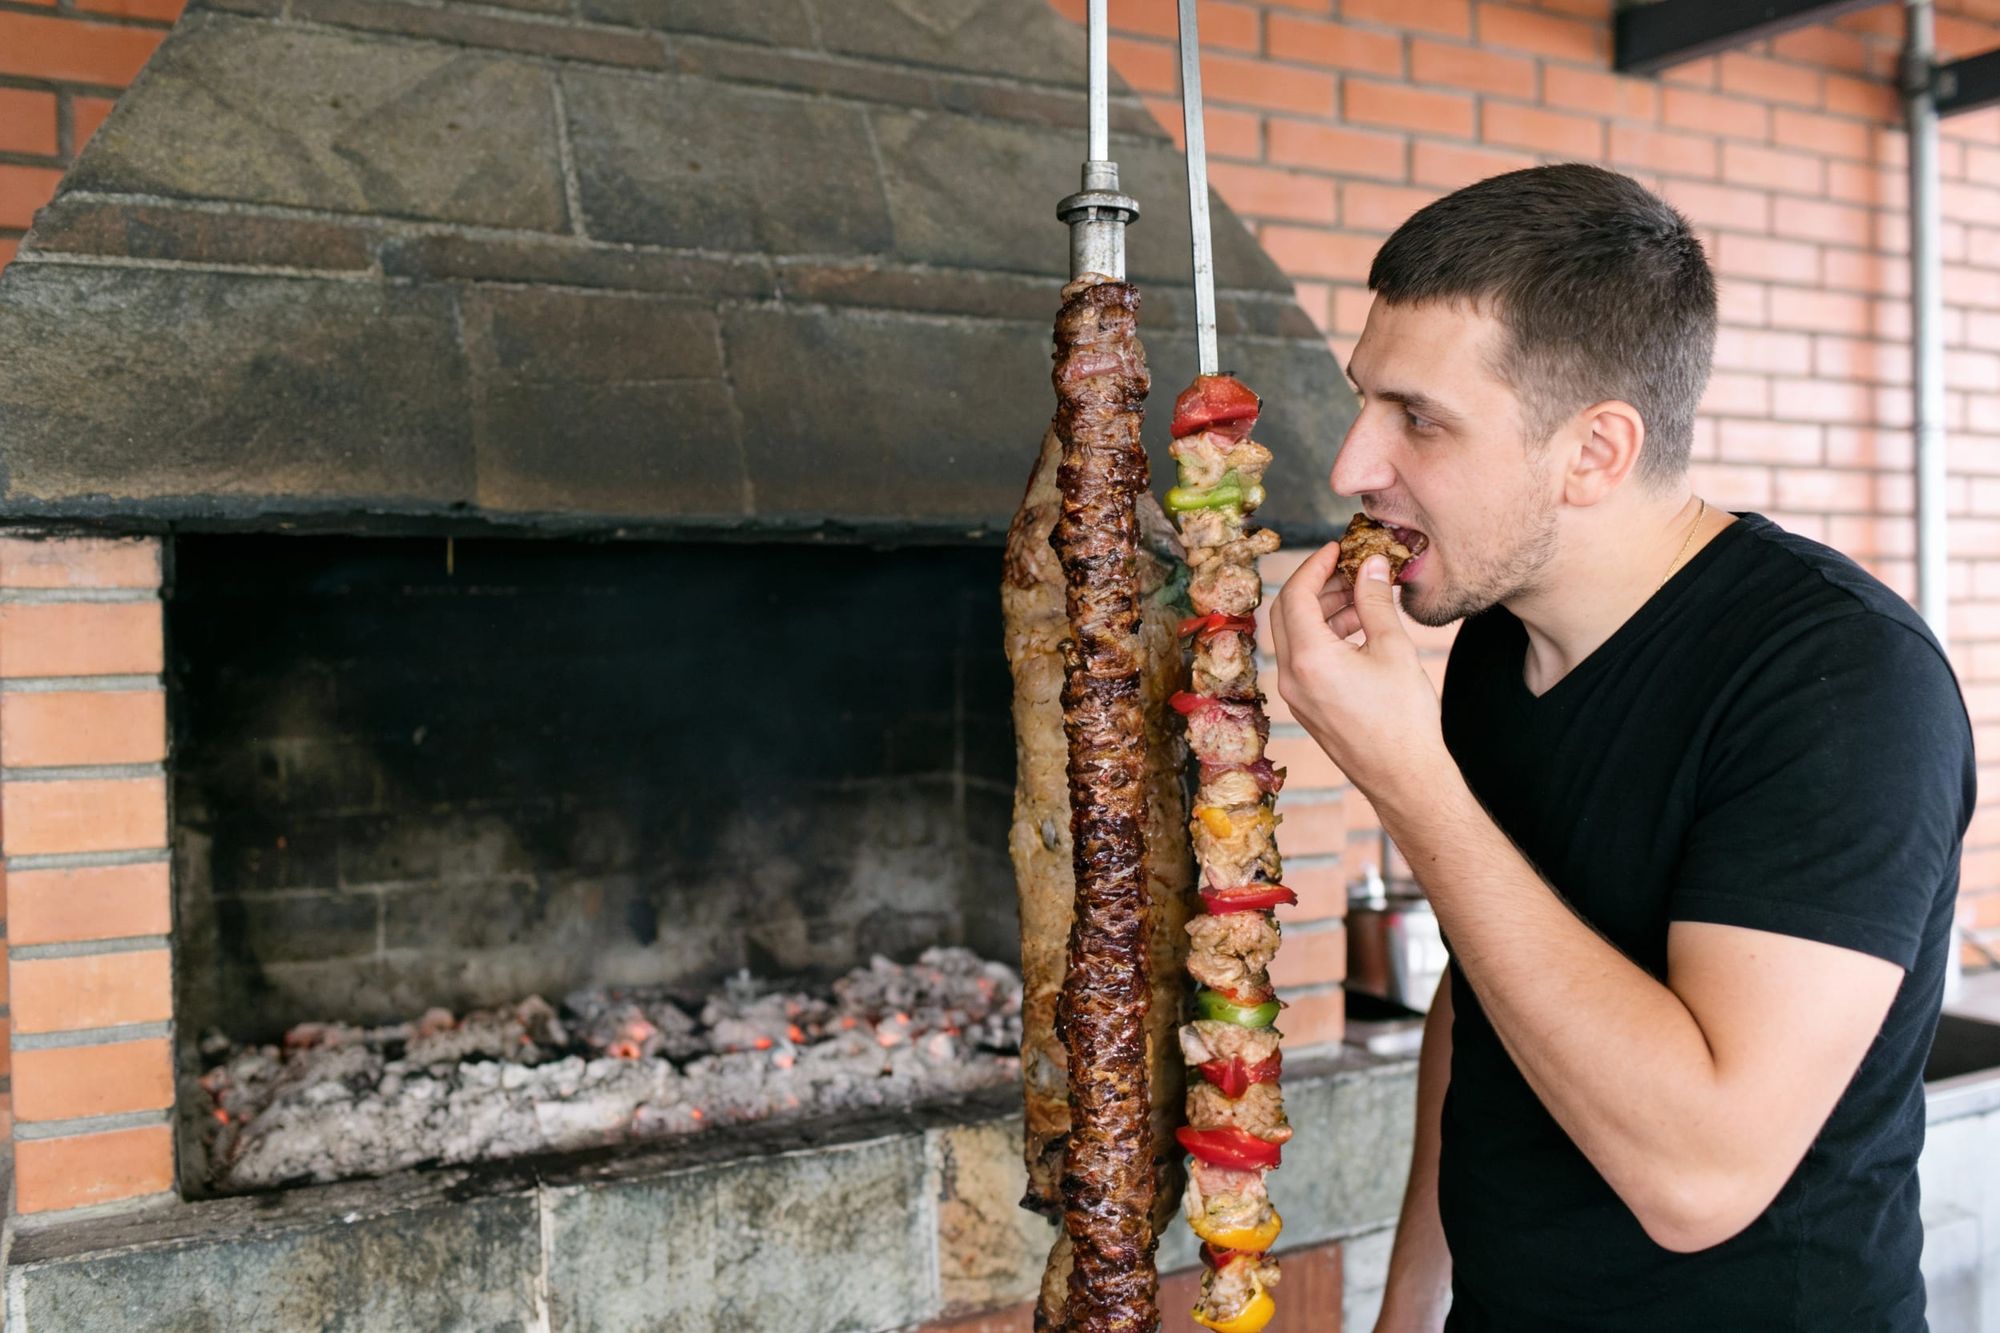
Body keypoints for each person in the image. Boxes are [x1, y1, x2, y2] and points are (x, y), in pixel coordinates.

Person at [1271, 163, 1974, 1332]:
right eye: (1365, 401)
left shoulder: (1840, 683)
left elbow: (1699, 1178)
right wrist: (1407, 1308)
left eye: (1418, 419)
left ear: (1593, 451)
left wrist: (1404, 780)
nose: (1350, 468)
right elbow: (1486, 988)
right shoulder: (1498, 643)